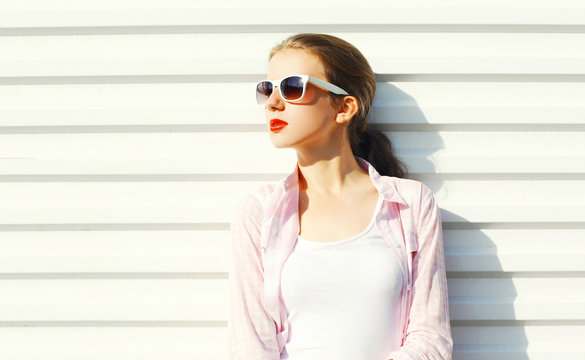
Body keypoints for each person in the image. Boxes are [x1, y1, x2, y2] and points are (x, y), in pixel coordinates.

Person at [227, 33, 452, 360]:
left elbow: (432, 339)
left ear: (344, 107)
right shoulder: (259, 211)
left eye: (292, 87)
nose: (274, 102)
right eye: (267, 89)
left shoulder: (410, 204)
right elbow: (249, 345)